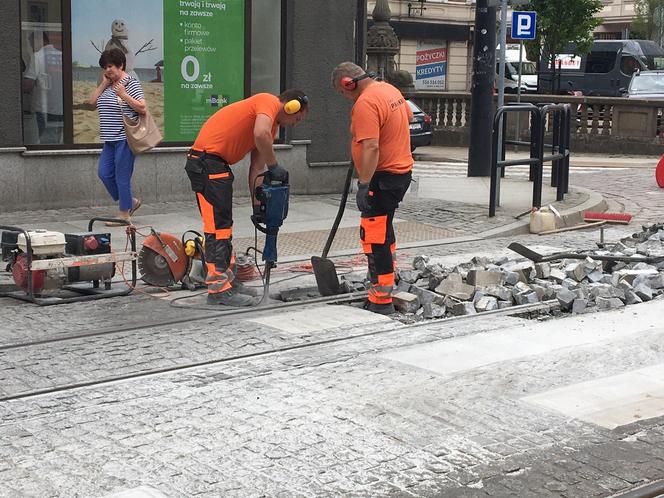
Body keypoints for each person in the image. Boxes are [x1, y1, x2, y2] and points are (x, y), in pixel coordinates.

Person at [185, 90, 309, 306]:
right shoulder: (267, 102)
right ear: (291, 106)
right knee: (217, 228)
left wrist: (258, 205)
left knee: (224, 226)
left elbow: (257, 168)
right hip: (206, 163)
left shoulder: (272, 126)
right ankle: (218, 290)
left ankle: (228, 283)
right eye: (297, 118)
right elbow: (260, 135)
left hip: (217, 165)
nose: (295, 124)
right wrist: (275, 165)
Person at [331, 62, 413, 315]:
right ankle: (385, 285)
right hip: (400, 173)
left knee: (374, 236)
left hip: (382, 177)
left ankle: (380, 299)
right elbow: (407, 117)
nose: (344, 97)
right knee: (384, 231)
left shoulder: (366, 102)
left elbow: (371, 147)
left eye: (342, 92)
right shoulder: (389, 91)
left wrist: (364, 183)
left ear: (348, 83)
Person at [89, 48, 145, 225]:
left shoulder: (131, 83)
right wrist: (103, 84)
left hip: (124, 139)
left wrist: (124, 95)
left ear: (121, 65)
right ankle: (130, 202)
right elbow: (91, 103)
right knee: (104, 174)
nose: (107, 70)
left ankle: (124, 215)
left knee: (122, 177)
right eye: (104, 67)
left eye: (111, 66)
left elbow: (142, 107)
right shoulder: (108, 84)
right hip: (109, 140)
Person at [23, 31, 63, 144]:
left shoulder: (37, 57)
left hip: (46, 109)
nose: (31, 47)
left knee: (48, 143)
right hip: (62, 108)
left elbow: (28, 85)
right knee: (60, 141)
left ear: (38, 41)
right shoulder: (62, 55)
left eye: (31, 44)